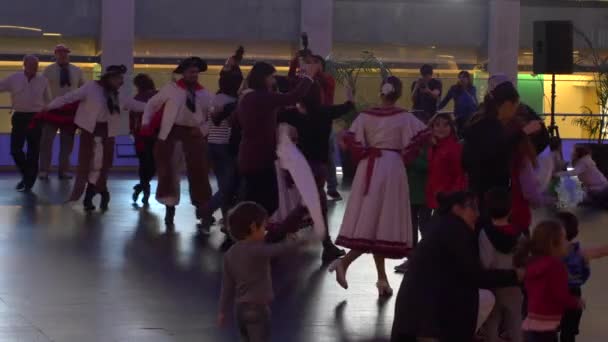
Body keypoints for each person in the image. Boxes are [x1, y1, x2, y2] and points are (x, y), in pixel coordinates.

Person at [329, 76, 431, 296]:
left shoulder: (366, 116)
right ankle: (345, 263)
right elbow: (424, 135)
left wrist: (365, 151)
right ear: (399, 92)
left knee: (375, 222)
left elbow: (348, 140)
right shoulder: (404, 117)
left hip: (370, 167)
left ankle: (381, 278)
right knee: (380, 222)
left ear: (381, 92)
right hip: (392, 167)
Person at [391, 191, 522, 341]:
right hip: (425, 320)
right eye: (473, 208)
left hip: (412, 317)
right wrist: (515, 275)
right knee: (486, 298)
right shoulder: (456, 232)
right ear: (457, 208)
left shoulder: (444, 227)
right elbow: (474, 275)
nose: (478, 214)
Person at [217, 202, 312, 342]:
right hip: (258, 309)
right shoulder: (257, 250)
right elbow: (279, 249)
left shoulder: (230, 254)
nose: (265, 230)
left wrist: (222, 311)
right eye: (263, 227)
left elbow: (227, 286)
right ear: (253, 227)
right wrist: (299, 243)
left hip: (240, 310)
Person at [142, 57, 213, 227]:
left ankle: (203, 210)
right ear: (184, 73)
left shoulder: (204, 94)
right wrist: (146, 123)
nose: (194, 75)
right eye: (191, 72)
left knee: (199, 172)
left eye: (196, 72)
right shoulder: (171, 89)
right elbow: (152, 104)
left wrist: (203, 129)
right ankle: (170, 208)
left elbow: (212, 117)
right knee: (169, 171)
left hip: (194, 136)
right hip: (172, 135)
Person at [237, 61, 313, 215]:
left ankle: (246, 231)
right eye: (271, 77)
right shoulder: (260, 97)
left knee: (255, 198)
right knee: (264, 201)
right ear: (263, 78)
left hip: (251, 154)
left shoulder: (249, 97)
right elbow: (293, 97)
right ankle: (245, 231)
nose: (273, 80)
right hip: (258, 156)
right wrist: (309, 76)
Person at [47, 64, 126, 210]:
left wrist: (154, 107)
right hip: (90, 133)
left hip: (107, 134)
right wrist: (50, 106)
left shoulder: (116, 95)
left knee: (101, 166)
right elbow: (69, 97)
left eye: (121, 79)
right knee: (88, 165)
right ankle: (93, 195)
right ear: (109, 78)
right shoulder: (91, 88)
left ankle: (94, 195)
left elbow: (133, 104)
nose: (120, 82)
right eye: (117, 78)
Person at [462, 78, 542, 209]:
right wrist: (523, 133)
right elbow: (495, 151)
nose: (515, 111)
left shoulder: (479, 125)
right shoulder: (490, 128)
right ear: (507, 104)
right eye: (515, 106)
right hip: (490, 193)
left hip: (482, 189)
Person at [514, 220, 583, 342]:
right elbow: (560, 295)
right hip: (547, 325)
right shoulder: (556, 266)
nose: (567, 243)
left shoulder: (531, 263)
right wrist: (575, 302)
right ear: (553, 244)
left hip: (531, 321)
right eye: (564, 239)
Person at [200, 47, 244, 232]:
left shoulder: (216, 97)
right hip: (226, 147)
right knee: (229, 187)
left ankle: (226, 221)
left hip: (212, 145)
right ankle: (206, 210)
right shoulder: (232, 102)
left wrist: (234, 62)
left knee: (224, 185)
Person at [479, 188, 524, 342]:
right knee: (516, 323)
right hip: (514, 285)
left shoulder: (485, 233)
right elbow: (525, 258)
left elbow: (486, 261)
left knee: (491, 324)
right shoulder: (520, 233)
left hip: (493, 286)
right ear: (511, 210)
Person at [0, 55, 50, 192]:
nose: (34, 67)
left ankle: (28, 181)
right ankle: (28, 175)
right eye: (32, 64)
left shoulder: (43, 80)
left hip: (36, 117)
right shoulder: (14, 78)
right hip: (19, 117)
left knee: (33, 151)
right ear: (24, 64)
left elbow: (48, 100)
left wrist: (46, 116)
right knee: (15, 150)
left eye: (36, 65)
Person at [557, 211, 608, 342]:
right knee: (568, 334)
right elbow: (602, 250)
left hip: (552, 295)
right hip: (574, 296)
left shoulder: (548, 253)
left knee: (548, 331)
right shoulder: (581, 253)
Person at [39, 44, 85, 180]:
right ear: (55, 54)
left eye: (65, 52)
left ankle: (63, 170)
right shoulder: (48, 70)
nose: (63, 55)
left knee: (67, 144)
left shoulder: (77, 70)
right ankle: (44, 170)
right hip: (52, 110)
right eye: (60, 52)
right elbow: (41, 89)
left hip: (70, 112)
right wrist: (44, 106)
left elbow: (83, 88)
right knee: (46, 142)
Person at [394, 141, 431, 274]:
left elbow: (429, 166)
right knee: (412, 226)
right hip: (412, 192)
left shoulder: (427, 147)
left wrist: (410, 159)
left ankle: (422, 257)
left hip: (425, 192)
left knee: (423, 225)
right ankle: (414, 257)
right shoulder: (413, 146)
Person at [123, 74, 158, 206]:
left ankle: (143, 187)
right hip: (155, 134)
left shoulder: (136, 98)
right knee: (153, 164)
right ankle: (142, 187)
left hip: (140, 136)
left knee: (143, 163)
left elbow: (132, 120)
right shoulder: (157, 96)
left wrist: (131, 131)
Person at [425, 113, 467, 211]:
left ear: (451, 127)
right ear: (432, 127)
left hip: (449, 200)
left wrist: (453, 199)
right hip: (437, 197)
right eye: (437, 124)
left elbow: (459, 175)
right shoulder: (433, 147)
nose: (441, 128)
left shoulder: (454, 148)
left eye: (445, 125)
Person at [510, 132, 549, 235]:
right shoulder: (523, 162)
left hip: (504, 209)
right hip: (519, 210)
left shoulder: (505, 159)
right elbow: (529, 190)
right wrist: (540, 201)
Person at [437, 70, 477, 135]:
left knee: (469, 133)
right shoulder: (454, 88)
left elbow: (473, 101)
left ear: (468, 79)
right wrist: (437, 108)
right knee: (460, 133)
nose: (462, 79)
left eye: (464, 77)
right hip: (459, 116)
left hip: (470, 116)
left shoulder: (472, 88)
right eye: (460, 77)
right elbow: (446, 100)